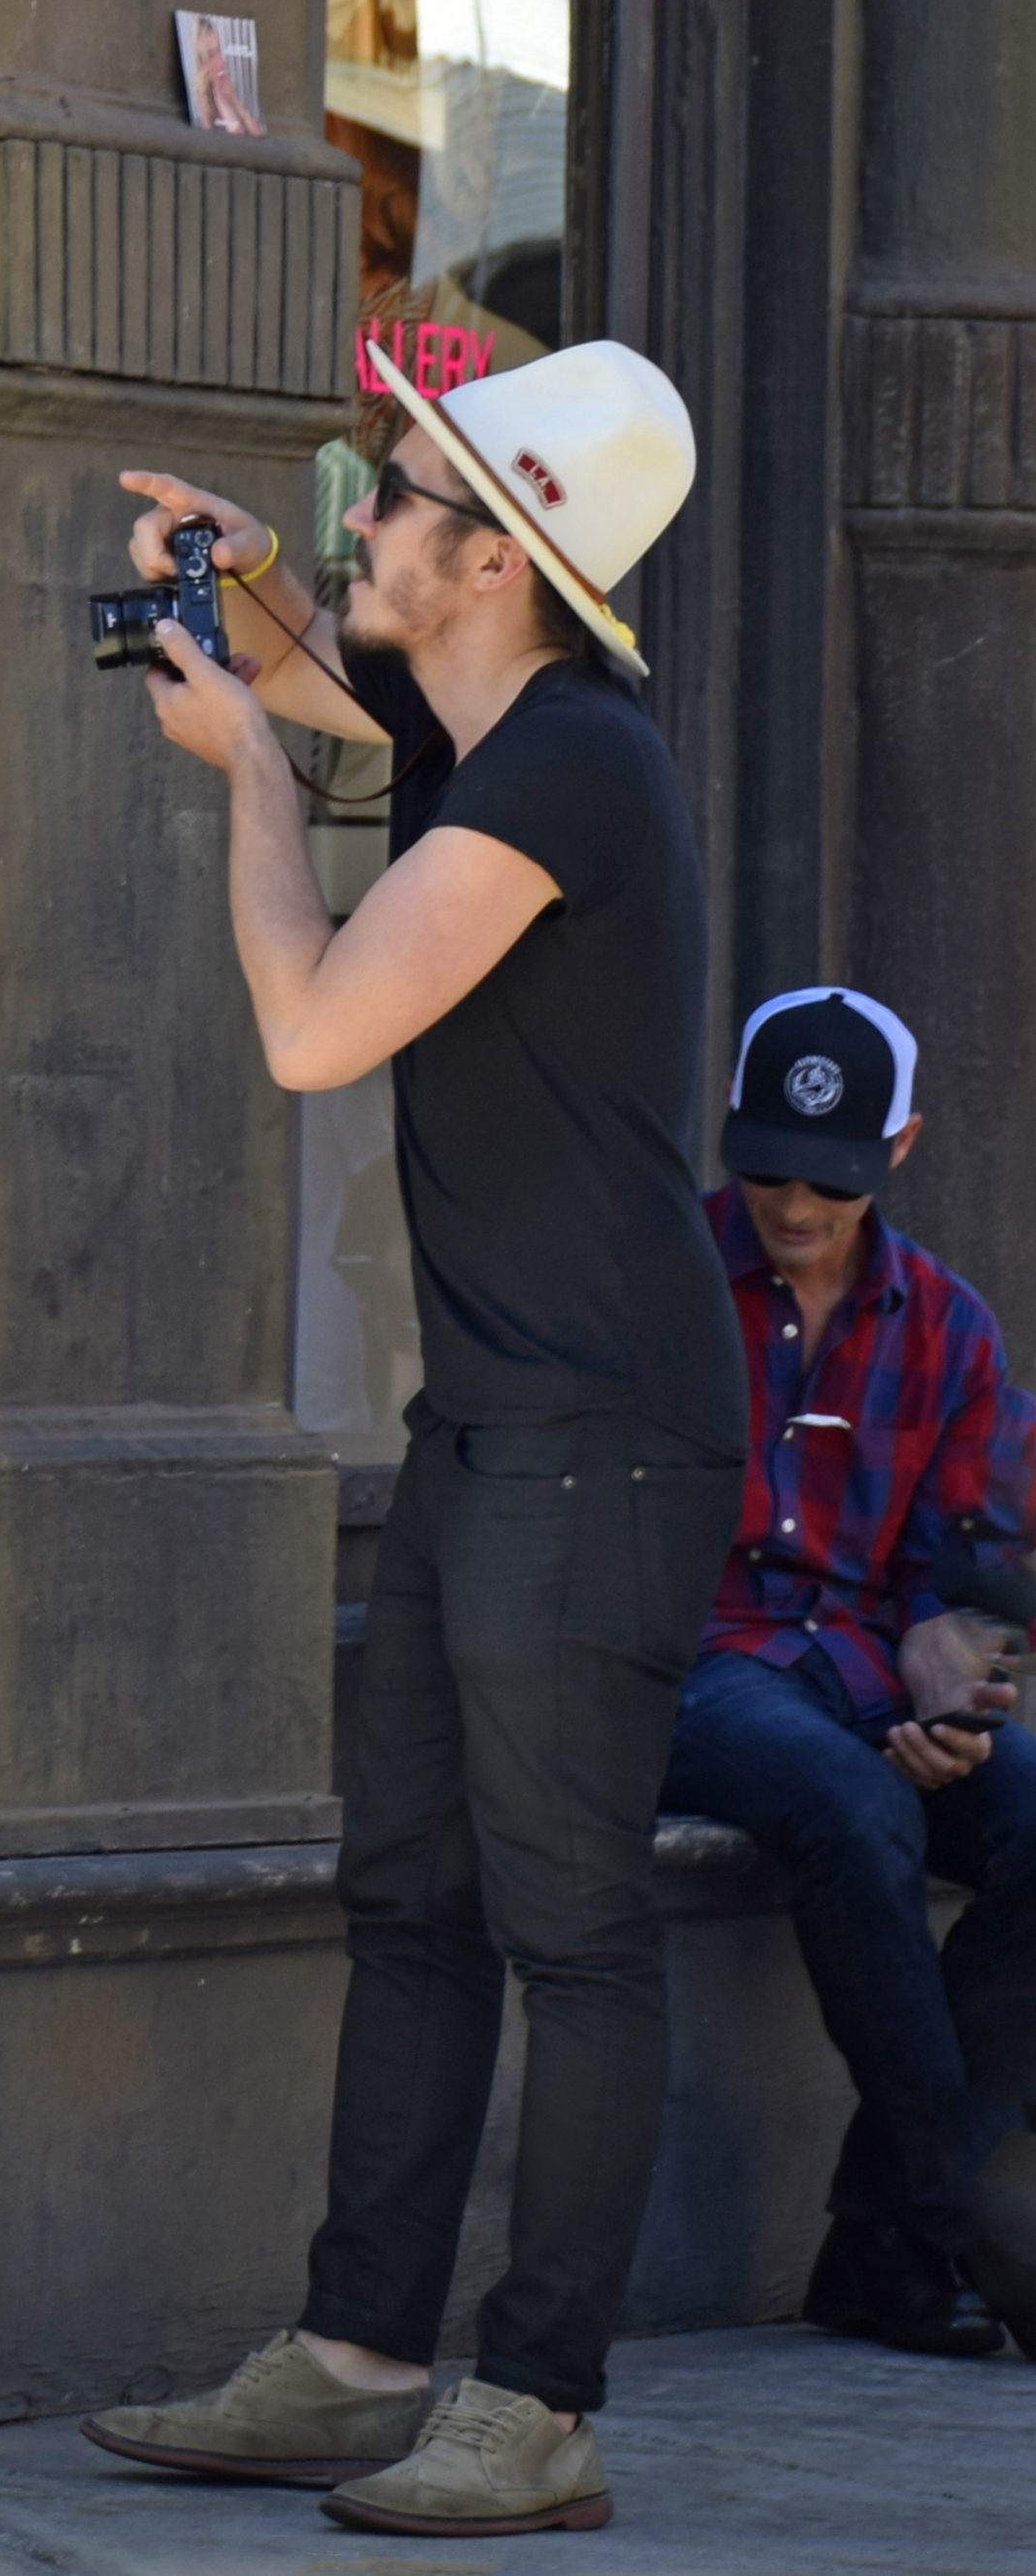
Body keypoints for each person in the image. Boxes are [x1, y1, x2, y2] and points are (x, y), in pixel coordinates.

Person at [80, 337, 747, 2540]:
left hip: (599, 1436)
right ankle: (357, 2358)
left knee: (571, 1930)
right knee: (414, 1904)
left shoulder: (570, 770)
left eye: (393, 496)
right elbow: (344, 688)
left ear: (496, 561)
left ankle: (535, 2403)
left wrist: (252, 788)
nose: (358, 510)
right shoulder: (502, 727)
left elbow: (313, 1027)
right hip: (495, 1424)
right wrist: (255, 594)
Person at [659, 986, 1036, 2360]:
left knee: (1032, 1810)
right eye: (770, 1166)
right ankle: (962, 2228)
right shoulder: (656, 1284)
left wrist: (958, 1671)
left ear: (903, 1145)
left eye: (834, 1176)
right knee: (854, 1806)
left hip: (869, 1669)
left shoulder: (948, 1323)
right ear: (731, 1130)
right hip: (690, 1664)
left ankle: (884, 2243)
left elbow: (983, 1565)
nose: (797, 1203)